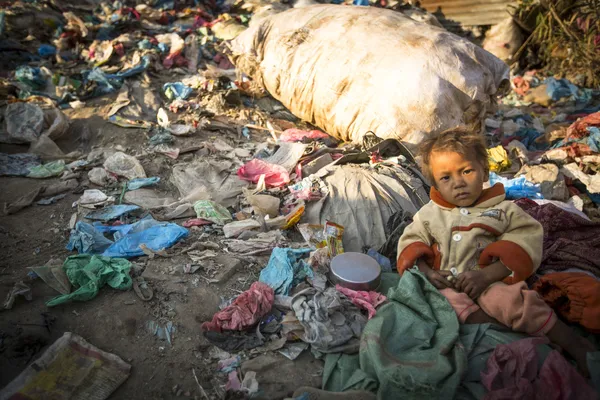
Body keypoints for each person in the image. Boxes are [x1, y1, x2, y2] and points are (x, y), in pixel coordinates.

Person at [396, 127, 594, 375]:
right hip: (447, 282)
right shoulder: (429, 214)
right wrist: (426, 270)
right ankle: (511, 339)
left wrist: (488, 275)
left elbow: (527, 240)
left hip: (489, 280)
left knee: (515, 302)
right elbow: (411, 240)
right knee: (443, 303)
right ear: (434, 183)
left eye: (466, 171)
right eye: (445, 178)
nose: (458, 183)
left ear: (484, 171)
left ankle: (576, 346)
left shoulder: (504, 210)